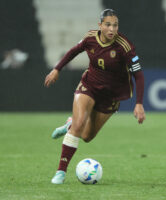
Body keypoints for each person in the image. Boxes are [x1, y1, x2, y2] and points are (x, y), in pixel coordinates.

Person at [44, 9, 146, 184]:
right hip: (89, 86)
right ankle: (60, 172)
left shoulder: (124, 46)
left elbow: (139, 75)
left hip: (111, 96)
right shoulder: (90, 38)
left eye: (115, 25)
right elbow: (73, 51)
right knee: (79, 124)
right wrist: (57, 69)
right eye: (108, 25)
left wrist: (139, 103)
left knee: (87, 137)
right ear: (100, 26)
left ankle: (70, 124)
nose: (112, 29)